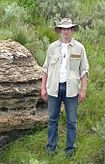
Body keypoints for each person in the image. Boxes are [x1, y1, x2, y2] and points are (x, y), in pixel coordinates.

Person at [41, 18, 89, 156]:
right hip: (54, 88)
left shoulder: (79, 48)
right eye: (63, 29)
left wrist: (83, 90)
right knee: (52, 120)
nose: (66, 31)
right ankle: (51, 149)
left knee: (72, 122)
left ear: (72, 30)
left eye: (68, 29)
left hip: (72, 89)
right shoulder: (52, 47)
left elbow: (84, 70)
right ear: (60, 30)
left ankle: (70, 150)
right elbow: (45, 69)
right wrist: (43, 88)